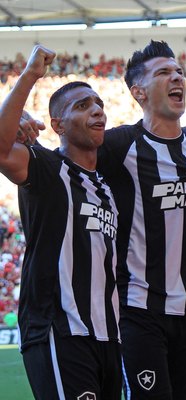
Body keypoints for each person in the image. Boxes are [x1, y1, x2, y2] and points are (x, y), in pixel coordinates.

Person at [96, 40, 186, 399]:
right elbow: (56, 158)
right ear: (138, 91)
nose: (177, 78)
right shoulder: (120, 145)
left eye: (179, 72)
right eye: (164, 73)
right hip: (138, 308)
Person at [1, 46, 121, 399]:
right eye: (82, 106)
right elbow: (2, 149)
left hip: (109, 336)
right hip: (59, 329)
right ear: (57, 125)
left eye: (98, 104)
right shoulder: (45, 167)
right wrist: (30, 76)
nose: (96, 110)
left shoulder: (107, 186)